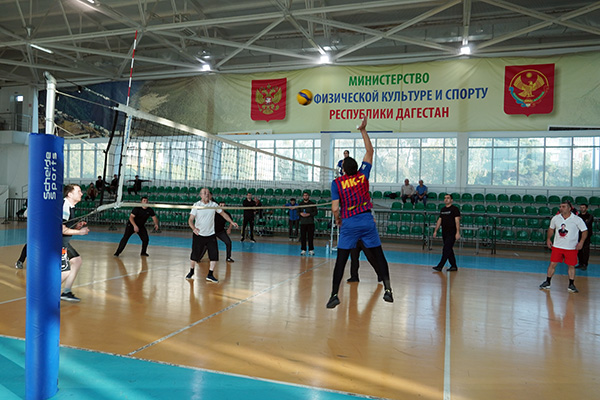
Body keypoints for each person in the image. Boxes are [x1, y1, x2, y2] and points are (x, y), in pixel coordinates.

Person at [327, 117, 393, 308]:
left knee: (341, 260)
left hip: (349, 224)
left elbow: (334, 208)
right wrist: (363, 130)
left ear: (343, 171)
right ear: (356, 168)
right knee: (379, 255)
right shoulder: (363, 176)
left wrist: (338, 219)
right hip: (366, 221)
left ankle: (333, 295)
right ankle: (388, 290)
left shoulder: (337, 183)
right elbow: (370, 151)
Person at [186, 188, 238, 282]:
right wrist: (194, 228)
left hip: (211, 235)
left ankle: (210, 274)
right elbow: (190, 220)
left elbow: (223, 214)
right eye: (204, 193)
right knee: (194, 255)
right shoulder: (196, 205)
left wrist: (231, 222)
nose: (206, 194)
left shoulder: (213, 205)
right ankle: (191, 271)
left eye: (208, 193)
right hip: (199, 234)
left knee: (214, 255)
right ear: (200, 195)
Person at [540, 200, 588, 293]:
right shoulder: (556, 218)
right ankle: (547, 282)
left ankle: (571, 284)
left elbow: (584, 231)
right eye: (560, 206)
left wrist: (581, 242)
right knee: (552, 264)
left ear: (569, 208)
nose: (561, 208)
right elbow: (551, 229)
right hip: (557, 246)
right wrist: (549, 239)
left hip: (571, 247)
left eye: (563, 206)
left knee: (571, 266)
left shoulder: (577, 219)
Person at [61, 184, 90, 302]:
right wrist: (80, 232)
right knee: (66, 271)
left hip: (64, 241)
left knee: (77, 261)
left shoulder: (70, 206)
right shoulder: (64, 206)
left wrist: (77, 227)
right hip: (58, 242)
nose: (82, 193)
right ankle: (47, 293)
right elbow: (61, 229)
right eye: (78, 191)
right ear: (70, 194)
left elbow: (67, 225)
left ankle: (66, 291)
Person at [432, 194, 461, 272]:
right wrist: (435, 230)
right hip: (444, 232)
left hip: (452, 232)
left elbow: (457, 221)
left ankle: (440, 266)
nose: (446, 199)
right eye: (445, 198)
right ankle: (454, 266)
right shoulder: (443, 209)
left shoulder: (455, 209)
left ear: (451, 200)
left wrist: (458, 232)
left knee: (446, 249)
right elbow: (439, 220)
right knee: (449, 249)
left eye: (448, 198)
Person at [575, 203, 593, 271]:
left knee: (585, 250)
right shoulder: (578, 216)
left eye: (583, 207)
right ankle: (580, 263)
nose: (582, 209)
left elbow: (586, 224)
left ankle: (585, 264)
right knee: (579, 249)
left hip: (587, 235)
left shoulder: (590, 216)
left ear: (586, 208)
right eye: (581, 207)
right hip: (578, 235)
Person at [299, 191, 317, 256]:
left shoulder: (312, 204)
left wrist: (309, 214)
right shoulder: (300, 204)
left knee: (310, 237)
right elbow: (298, 212)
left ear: (308, 196)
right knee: (303, 237)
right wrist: (301, 214)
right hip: (303, 223)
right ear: (303, 196)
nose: (305, 196)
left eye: (306, 195)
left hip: (310, 222)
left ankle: (311, 250)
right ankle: (303, 250)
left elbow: (315, 212)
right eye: (304, 195)